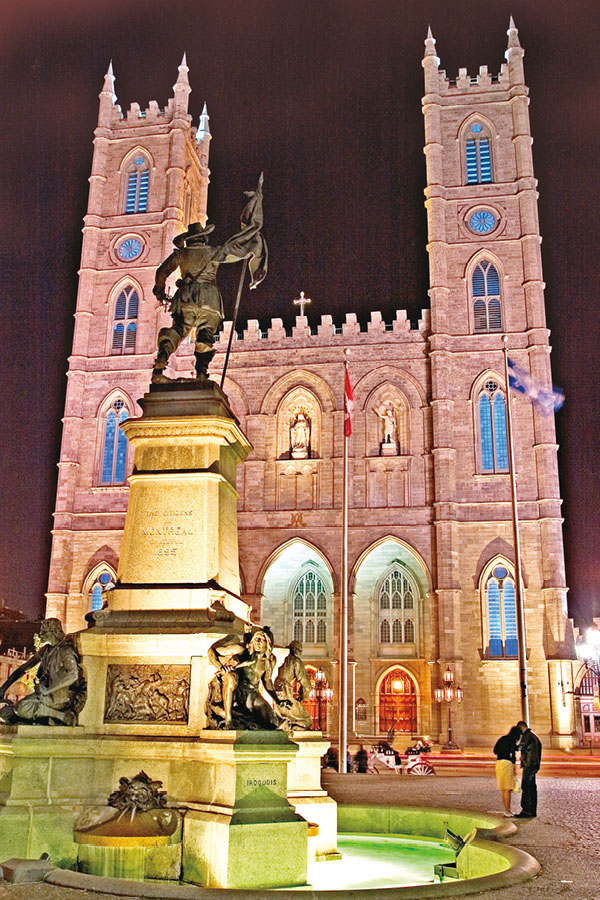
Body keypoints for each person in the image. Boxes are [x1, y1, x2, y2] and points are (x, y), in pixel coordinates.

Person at [152, 175, 267, 382]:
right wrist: (251, 246)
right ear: (204, 237)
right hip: (210, 300)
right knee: (205, 334)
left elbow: (161, 272)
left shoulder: (182, 254)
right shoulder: (213, 252)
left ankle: (161, 361)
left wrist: (159, 292)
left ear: (189, 239)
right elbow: (236, 252)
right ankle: (202, 373)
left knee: (178, 330)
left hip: (185, 300)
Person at [514, 720, 542, 818]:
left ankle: (527, 810)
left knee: (527, 787)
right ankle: (531, 810)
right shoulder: (533, 735)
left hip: (529, 765)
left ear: (521, 727)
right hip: (533, 764)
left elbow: (519, 747)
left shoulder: (527, 736)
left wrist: (510, 743)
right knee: (531, 788)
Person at [493, 726, 521, 816]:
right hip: (507, 764)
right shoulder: (511, 741)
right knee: (508, 789)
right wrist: (514, 769)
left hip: (499, 763)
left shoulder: (502, 739)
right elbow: (513, 756)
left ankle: (506, 809)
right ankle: (508, 810)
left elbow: (495, 750)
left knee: (503, 788)